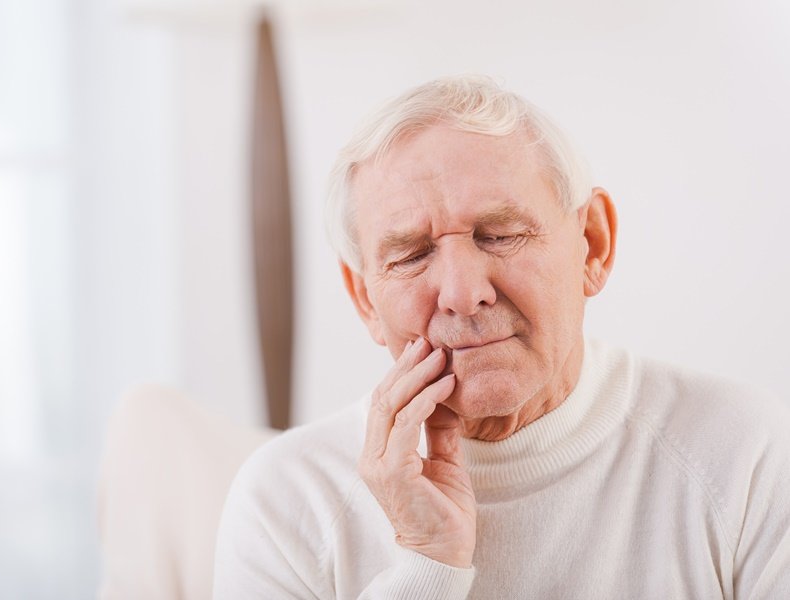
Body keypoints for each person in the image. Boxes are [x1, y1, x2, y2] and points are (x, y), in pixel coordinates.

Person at [212, 75, 790, 599]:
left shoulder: (743, 454)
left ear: (592, 244)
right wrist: (426, 567)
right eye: (411, 256)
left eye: (499, 235)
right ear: (365, 298)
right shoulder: (286, 503)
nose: (463, 294)